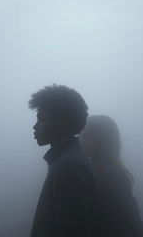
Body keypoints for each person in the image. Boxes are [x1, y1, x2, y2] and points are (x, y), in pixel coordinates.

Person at [28, 84, 95, 237]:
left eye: (42, 119)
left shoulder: (69, 167)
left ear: (61, 124)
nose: (35, 126)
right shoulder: (68, 160)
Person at [79, 115, 143, 237]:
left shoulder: (112, 175)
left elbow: (130, 221)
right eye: (80, 135)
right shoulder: (94, 171)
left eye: (87, 136)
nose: (80, 140)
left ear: (103, 140)